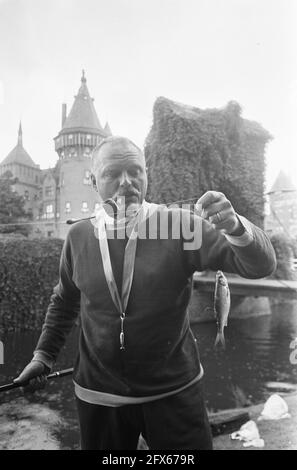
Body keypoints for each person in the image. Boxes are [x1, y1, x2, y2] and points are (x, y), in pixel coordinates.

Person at [14, 136, 276, 450]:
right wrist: (42, 357)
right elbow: (65, 301)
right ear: (94, 181)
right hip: (98, 396)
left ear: (146, 174)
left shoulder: (179, 226)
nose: (127, 182)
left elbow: (260, 265)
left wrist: (235, 227)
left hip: (174, 392)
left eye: (135, 170)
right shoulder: (79, 236)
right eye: (113, 173)